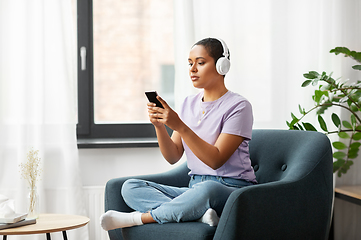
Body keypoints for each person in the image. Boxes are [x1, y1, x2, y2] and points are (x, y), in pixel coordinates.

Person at [100, 37, 257, 230]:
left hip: (231, 190)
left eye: (200, 63)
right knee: (130, 187)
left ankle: (140, 218)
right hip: (194, 189)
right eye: (190, 63)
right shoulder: (188, 104)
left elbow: (216, 160)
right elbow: (173, 156)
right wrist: (160, 126)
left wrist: (181, 126)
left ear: (221, 66)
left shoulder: (239, 106)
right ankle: (196, 214)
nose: (192, 69)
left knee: (207, 190)